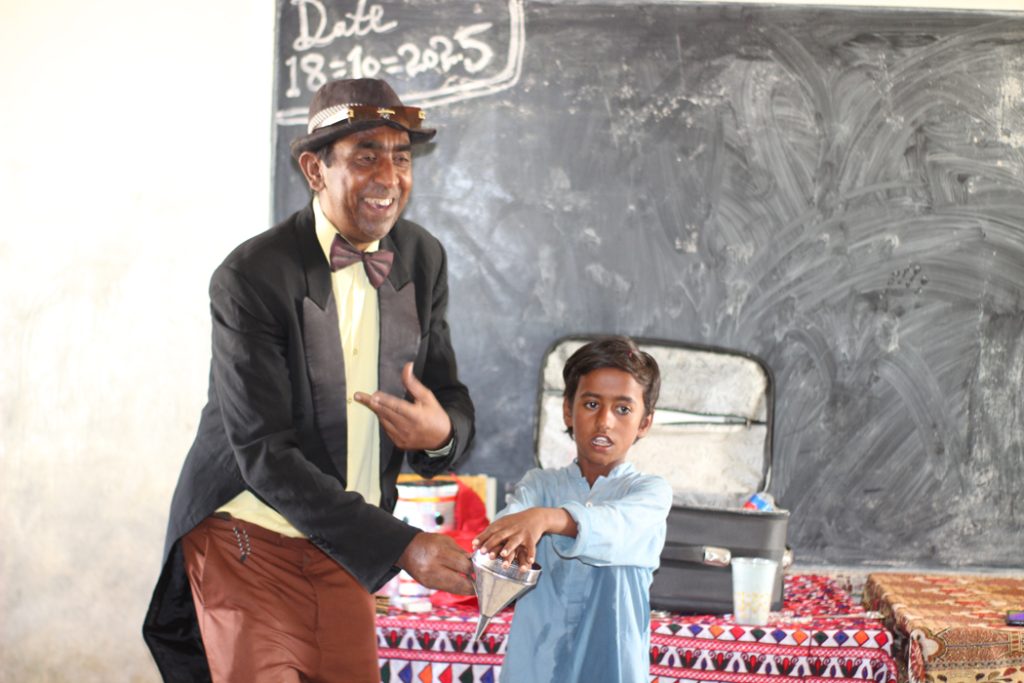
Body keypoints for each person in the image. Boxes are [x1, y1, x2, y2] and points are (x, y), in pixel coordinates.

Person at [143, 78, 476, 683]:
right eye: (365, 156)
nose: (389, 176)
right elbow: (264, 454)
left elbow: (447, 394)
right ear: (315, 169)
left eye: (401, 157)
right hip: (247, 536)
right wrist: (402, 545)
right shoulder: (252, 276)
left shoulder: (422, 257)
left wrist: (440, 433)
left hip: (344, 545)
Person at [474, 336, 673, 683]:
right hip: (535, 667)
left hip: (612, 669)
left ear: (644, 423)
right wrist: (504, 544)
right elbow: (506, 527)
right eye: (591, 404)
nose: (605, 421)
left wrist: (547, 519)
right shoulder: (539, 486)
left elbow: (615, 528)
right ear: (568, 410)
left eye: (623, 409)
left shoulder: (649, 494)